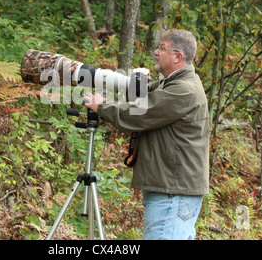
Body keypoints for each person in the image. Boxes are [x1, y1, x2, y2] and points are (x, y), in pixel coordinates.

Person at [83, 29, 209, 240]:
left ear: (178, 56)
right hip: (173, 189)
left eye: (162, 48)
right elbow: (141, 100)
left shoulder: (184, 90)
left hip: (173, 192)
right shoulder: (172, 84)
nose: (155, 52)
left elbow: (139, 113)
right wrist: (135, 82)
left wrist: (102, 106)